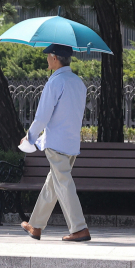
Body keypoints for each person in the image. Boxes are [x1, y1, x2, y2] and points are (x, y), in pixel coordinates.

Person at [20, 44, 91, 242]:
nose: (47, 59)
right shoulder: (78, 83)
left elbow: (42, 116)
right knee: (53, 184)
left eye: (48, 56)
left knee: (63, 184)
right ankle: (35, 226)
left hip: (56, 144)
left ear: (54, 58)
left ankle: (79, 228)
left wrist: (30, 137)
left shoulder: (54, 82)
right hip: (71, 143)